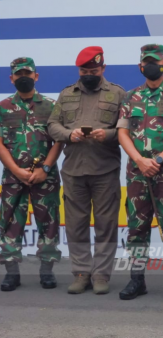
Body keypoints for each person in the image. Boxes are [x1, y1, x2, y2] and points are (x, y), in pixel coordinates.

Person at [48, 47, 125, 295]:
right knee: (76, 224)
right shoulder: (66, 94)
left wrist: (110, 134)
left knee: (106, 224)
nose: (88, 74)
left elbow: (127, 128)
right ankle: (81, 273)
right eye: (84, 71)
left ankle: (101, 275)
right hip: (73, 170)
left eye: (93, 70)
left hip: (105, 169)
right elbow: (52, 125)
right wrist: (69, 134)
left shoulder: (118, 93)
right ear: (78, 70)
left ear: (103, 68)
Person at [117, 44, 163, 302]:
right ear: (140, 67)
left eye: (156, 61)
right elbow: (122, 132)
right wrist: (139, 160)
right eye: (147, 62)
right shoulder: (130, 97)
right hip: (137, 173)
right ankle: (136, 281)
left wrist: (157, 160)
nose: (151, 65)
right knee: (137, 226)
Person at [0, 57, 63, 291]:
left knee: (48, 222)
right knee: (10, 223)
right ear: (11, 78)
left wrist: (45, 168)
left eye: (28, 74)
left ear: (36, 76)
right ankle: (12, 273)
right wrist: (15, 169)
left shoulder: (51, 106)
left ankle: (47, 271)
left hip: (44, 177)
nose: (23, 78)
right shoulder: (3, 108)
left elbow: (59, 141)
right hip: (12, 177)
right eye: (19, 74)